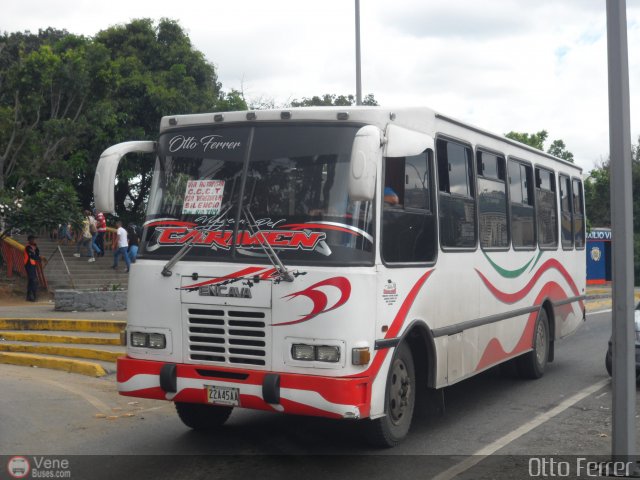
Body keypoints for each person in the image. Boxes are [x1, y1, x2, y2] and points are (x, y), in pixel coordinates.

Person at [24, 235, 41, 302]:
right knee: (33, 280)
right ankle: (33, 296)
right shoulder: (28, 247)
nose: (33, 240)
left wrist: (39, 258)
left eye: (34, 239)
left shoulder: (35, 247)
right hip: (28, 265)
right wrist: (39, 258)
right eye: (32, 239)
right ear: (29, 240)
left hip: (33, 265)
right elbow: (32, 256)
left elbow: (37, 254)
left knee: (31, 280)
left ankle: (29, 297)